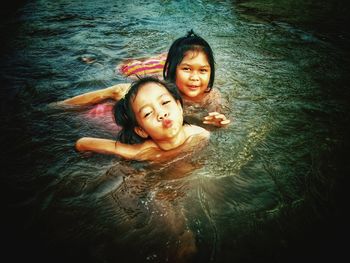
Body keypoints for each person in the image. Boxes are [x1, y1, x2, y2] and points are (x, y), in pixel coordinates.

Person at [60, 30, 230, 127]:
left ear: (211, 71)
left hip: (164, 67)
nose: (195, 78)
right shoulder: (160, 89)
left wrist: (219, 122)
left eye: (203, 71)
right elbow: (118, 91)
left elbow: (222, 116)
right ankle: (95, 62)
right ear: (174, 70)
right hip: (142, 72)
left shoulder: (211, 95)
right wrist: (61, 108)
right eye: (186, 69)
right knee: (119, 77)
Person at [75, 77, 210, 162]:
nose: (161, 114)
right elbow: (83, 143)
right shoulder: (141, 152)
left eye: (165, 103)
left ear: (180, 107)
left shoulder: (200, 134)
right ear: (141, 131)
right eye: (148, 113)